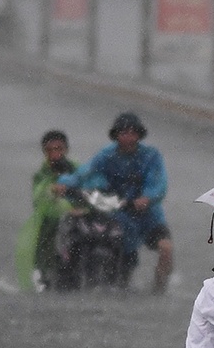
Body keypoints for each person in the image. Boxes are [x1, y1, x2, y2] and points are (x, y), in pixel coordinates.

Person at [61, 111, 174, 293]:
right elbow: (85, 173)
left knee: (166, 248)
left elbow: (158, 182)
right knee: (120, 259)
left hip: (149, 217)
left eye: (132, 133)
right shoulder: (107, 156)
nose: (128, 137)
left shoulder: (151, 156)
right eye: (123, 133)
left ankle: (158, 290)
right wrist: (65, 185)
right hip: (121, 217)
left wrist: (147, 197)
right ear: (116, 135)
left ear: (139, 134)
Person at [14, 129, 78, 291]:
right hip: (51, 221)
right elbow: (39, 197)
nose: (55, 154)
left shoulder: (78, 169)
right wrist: (53, 191)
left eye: (59, 149)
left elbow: (93, 184)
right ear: (44, 152)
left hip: (78, 217)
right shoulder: (41, 175)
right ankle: (44, 273)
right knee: (44, 235)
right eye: (50, 150)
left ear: (66, 150)